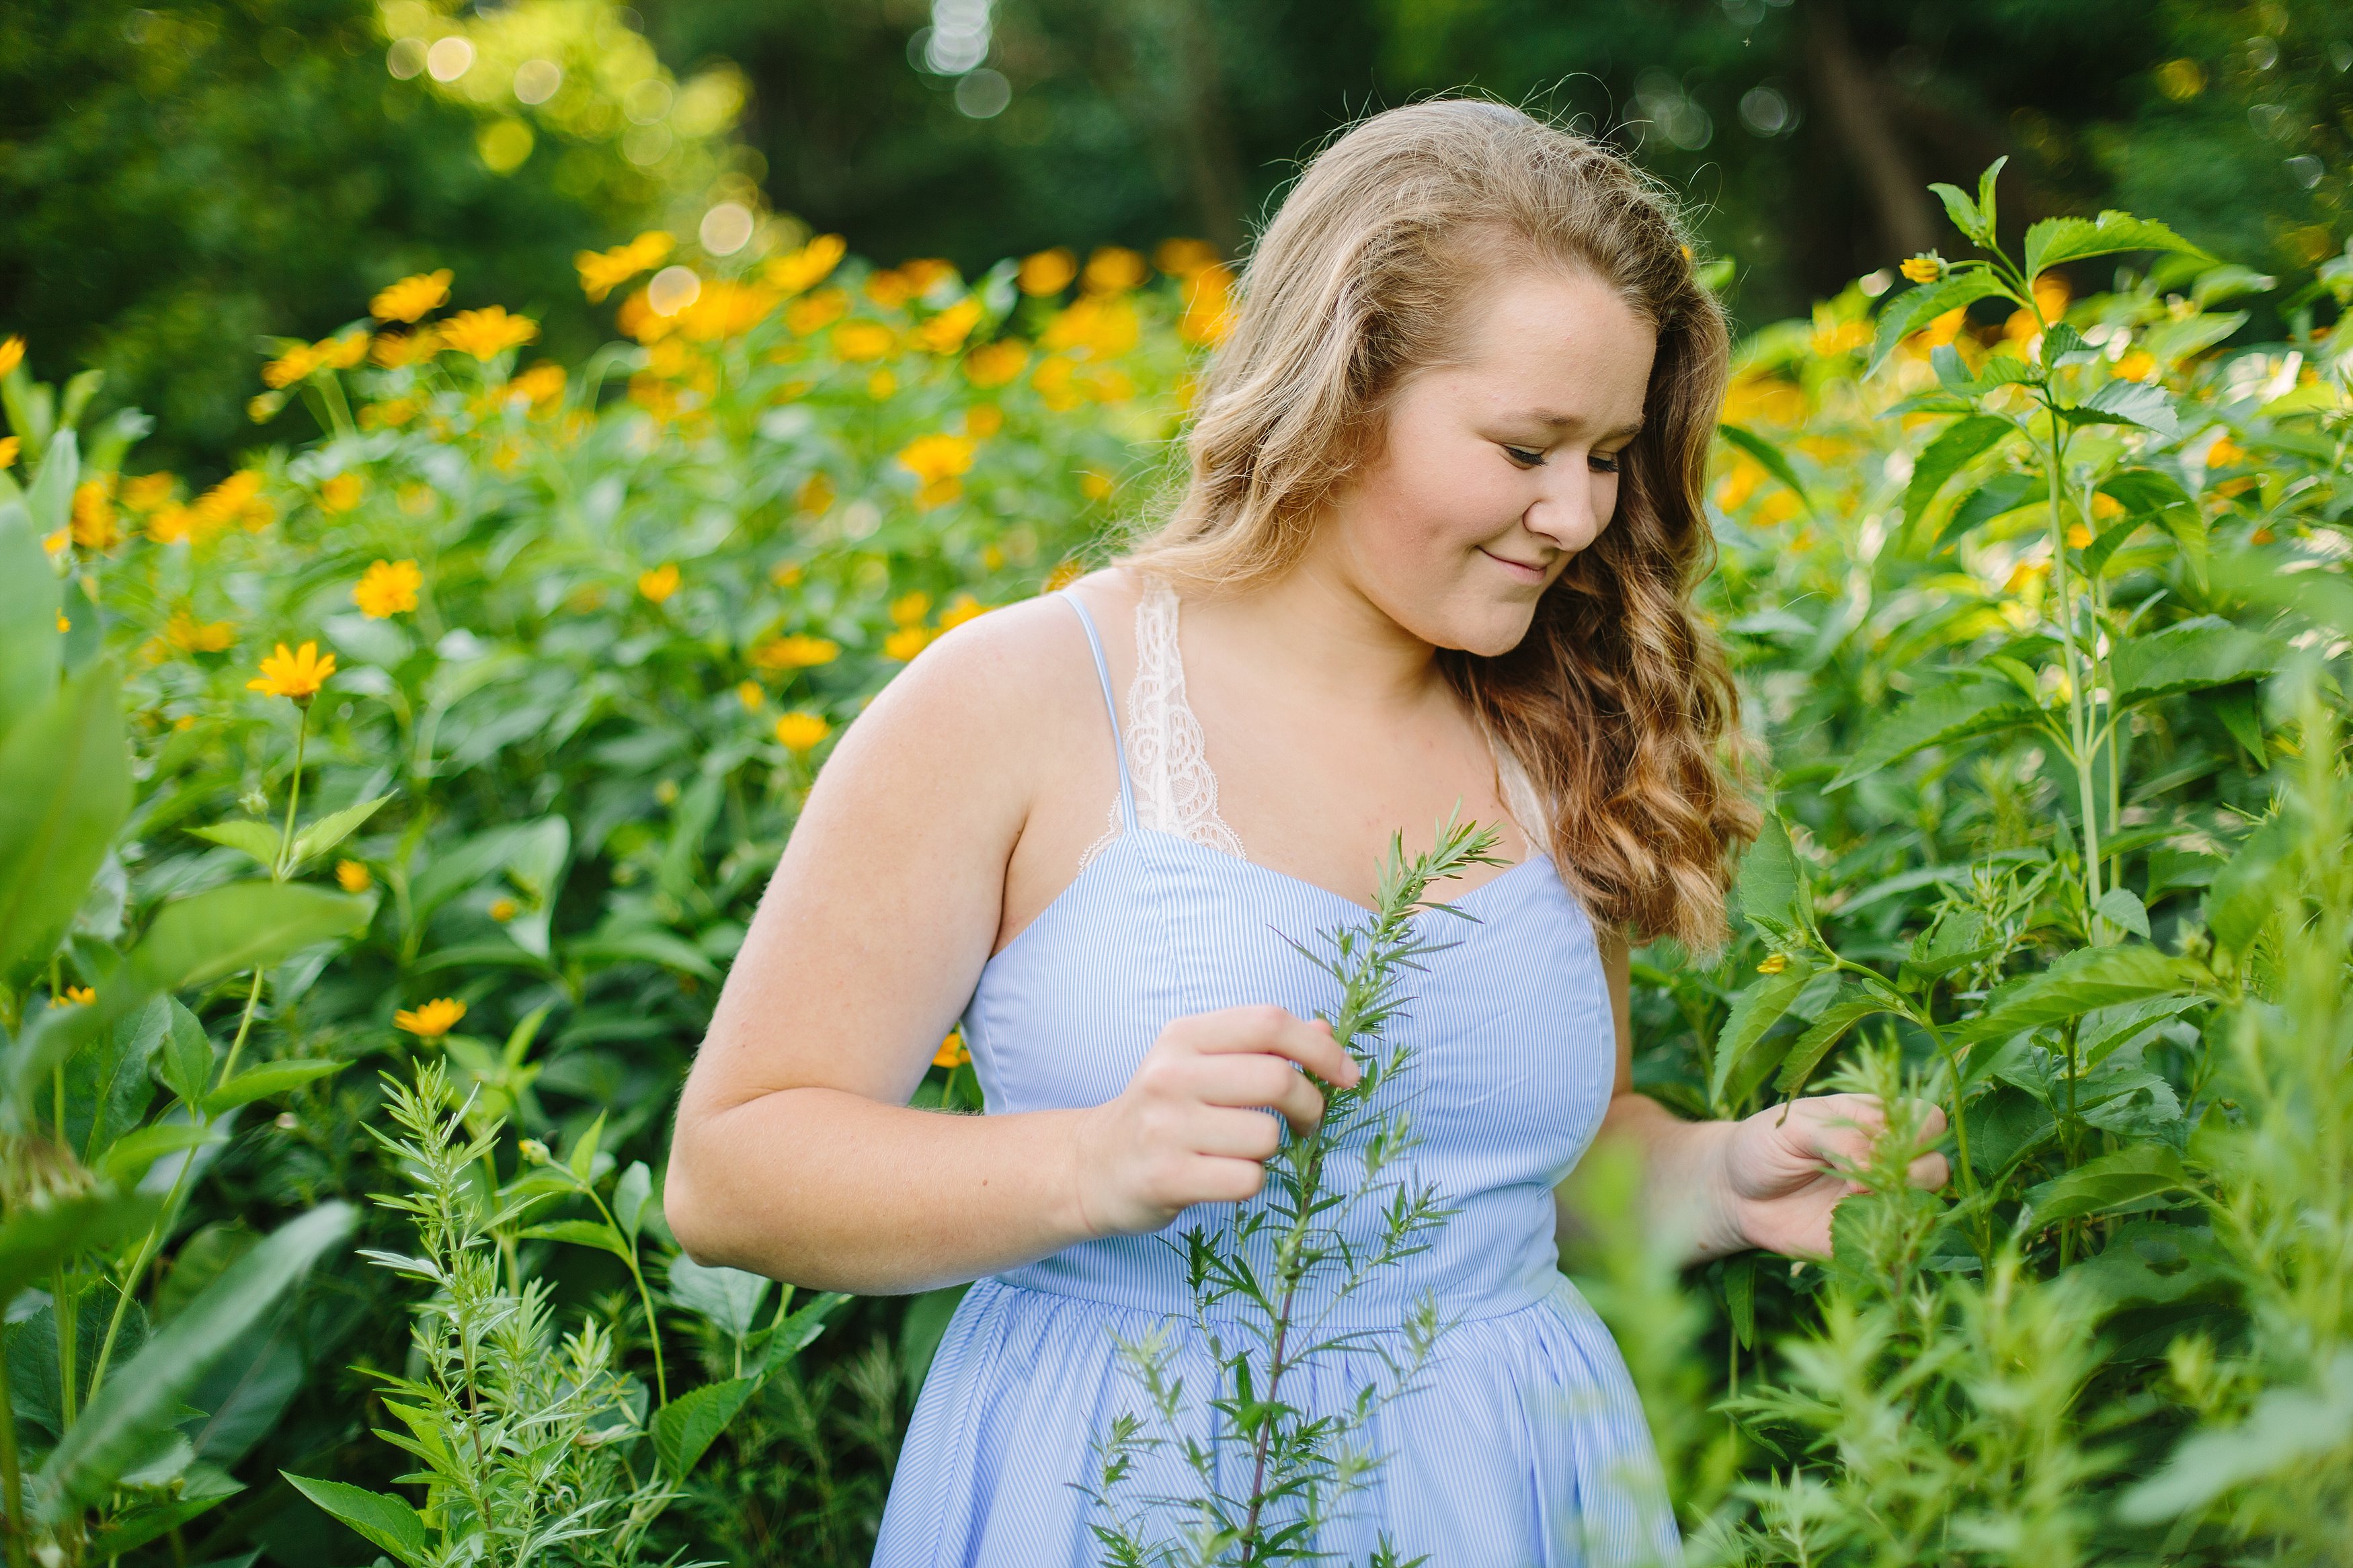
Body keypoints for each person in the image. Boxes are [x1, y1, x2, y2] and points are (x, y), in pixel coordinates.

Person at [665, 98, 1950, 1565]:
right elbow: (733, 1172)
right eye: (1526, 445)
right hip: (1123, 1481)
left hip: (1507, 1483)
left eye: (1606, 453)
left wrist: (1714, 1178)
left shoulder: (1554, 725)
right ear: (1342, 392)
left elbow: (1514, 1168)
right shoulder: (1019, 695)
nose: (1576, 514)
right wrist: (1086, 1165)